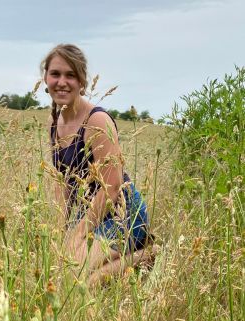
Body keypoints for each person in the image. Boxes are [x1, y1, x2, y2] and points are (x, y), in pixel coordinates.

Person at [41, 44, 155, 286]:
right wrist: (60, 231)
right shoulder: (55, 121)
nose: (62, 82)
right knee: (58, 268)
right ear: (45, 78)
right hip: (89, 213)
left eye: (70, 75)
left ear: (82, 81)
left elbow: (112, 187)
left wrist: (78, 234)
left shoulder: (97, 120)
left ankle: (146, 255)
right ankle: (117, 265)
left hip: (122, 213)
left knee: (77, 278)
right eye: (56, 74)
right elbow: (62, 185)